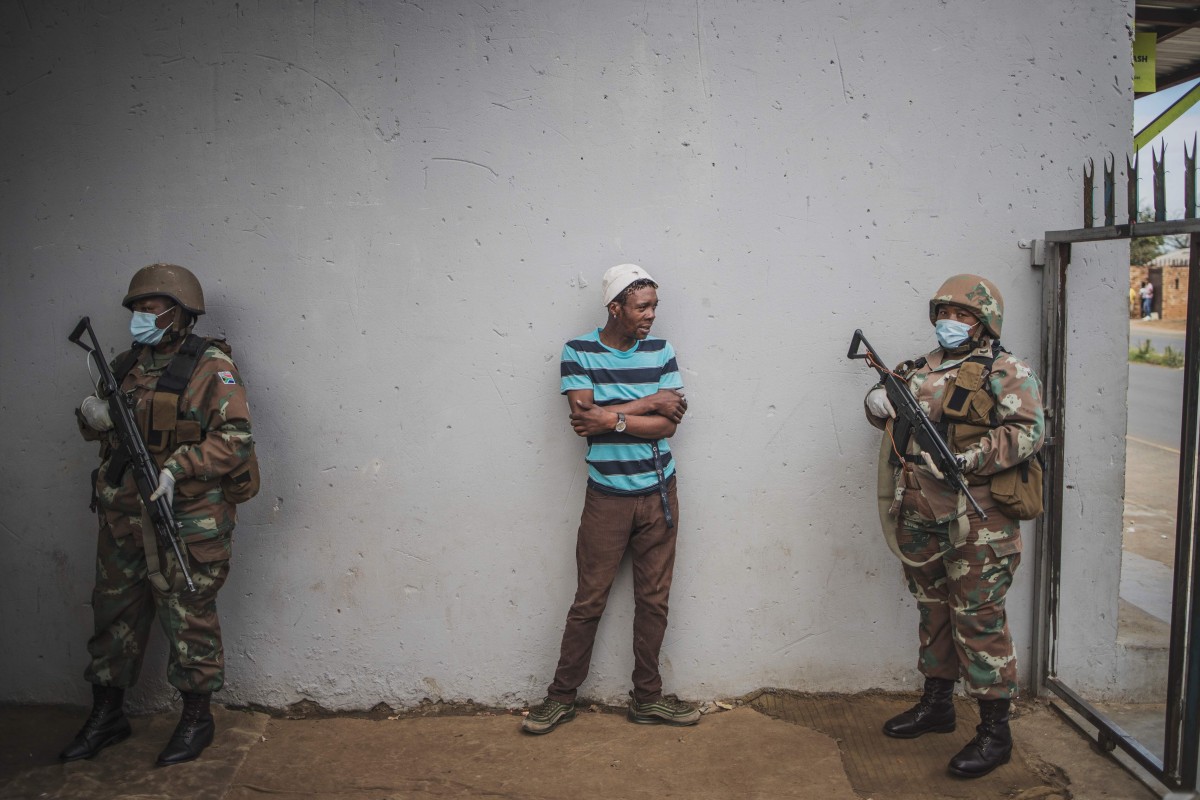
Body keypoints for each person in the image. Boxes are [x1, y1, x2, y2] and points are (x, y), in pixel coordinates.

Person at [62, 263, 258, 766]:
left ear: (181, 313)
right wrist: (91, 414)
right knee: (113, 615)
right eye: (138, 309)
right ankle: (107, 715)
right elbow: (101, 426)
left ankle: (196, 719)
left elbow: (236, 440)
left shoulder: (210, 367)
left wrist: (177, 468)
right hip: (122, 516)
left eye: (152, 309)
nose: (141, 317)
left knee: (188, 617)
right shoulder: (126, 363)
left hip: (186, 519)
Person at [862, 274, 1044, 779]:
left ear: (984, 323)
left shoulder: (1006, 370)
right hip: (920, 513)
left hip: (979, 520)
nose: (951, 322)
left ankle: (995, 732)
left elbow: (1028, 431)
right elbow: (886, 411)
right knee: (934, 611)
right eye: (944, 313)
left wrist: (969, 458)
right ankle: (937, 705)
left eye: (962, 315)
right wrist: (877, 402)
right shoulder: (917, 369)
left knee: (979, 620)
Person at [522, 263, 698, 735]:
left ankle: (648, 699)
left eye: (655, 306)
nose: (652, 315)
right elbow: (584, 420)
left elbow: (668, 424)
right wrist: (647, 403)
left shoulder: (661, 350)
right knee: (589, 600)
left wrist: (613, 418)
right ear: (615, 308)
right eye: (642, 307)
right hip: (607, 497)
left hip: (659, 492)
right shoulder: (578, 351)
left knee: (654, 601)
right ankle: (561, 698)